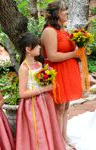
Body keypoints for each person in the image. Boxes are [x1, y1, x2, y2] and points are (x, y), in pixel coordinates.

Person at [41, 1, 82, 149]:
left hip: (68, 71)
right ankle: (59, 142)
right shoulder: (50, 31)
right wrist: (74, 54)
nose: (66, 12)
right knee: (58, 108)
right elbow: (52, 56)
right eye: (64, 10)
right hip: (57, 71)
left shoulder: (63, 30)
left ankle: (64, 135)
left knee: (65, 107)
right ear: (56, 13)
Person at [16, 32, 65, 150]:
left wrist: (49, 81)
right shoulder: (24, 68)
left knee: (48, 126)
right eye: (37, 45)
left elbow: (42, 81)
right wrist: (43, 89)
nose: (39, 47)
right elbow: (22, 93)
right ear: (28, 49)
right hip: (32, 105)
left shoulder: (39, 63)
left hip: (44, 101)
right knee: (37, 131)